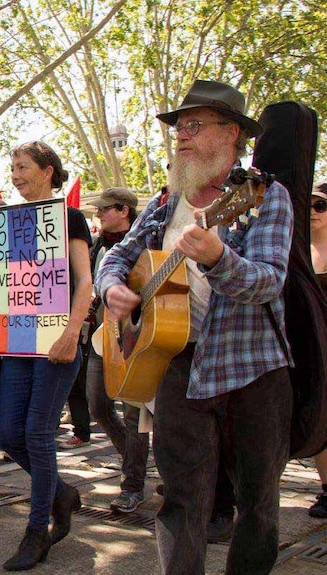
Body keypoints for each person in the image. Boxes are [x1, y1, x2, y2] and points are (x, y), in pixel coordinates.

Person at [96, 80, 293, 575]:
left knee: (258, 505)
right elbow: (119, 254)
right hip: (179, 366)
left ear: (233, 135)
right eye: (179, 127)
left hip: (254, 372)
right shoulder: (166, 203)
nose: (181, 136)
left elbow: (268, 282)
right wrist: (112, 286)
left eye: (194, 125)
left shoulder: (264, 196)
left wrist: (219, 258)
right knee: (181, 498)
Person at [0, 141, 93, 571]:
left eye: (22, 167)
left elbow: (84, 284)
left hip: (57, 346)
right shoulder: (5, 221)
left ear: (47, 170)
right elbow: (0, 283)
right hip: (17, 345)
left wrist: (72, 333)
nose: (16, 175)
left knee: (38, 435)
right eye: (13, 168)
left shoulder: (70, 217)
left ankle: (37, 531)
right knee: (6, 433)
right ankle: (60, 491)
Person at [83, 187, 150, 513]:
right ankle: (134, 460)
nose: (99, 215)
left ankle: (132, 486)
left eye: (104, 210)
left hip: (137, 340)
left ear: (124, 210)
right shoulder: (97, 247)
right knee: (97, 405)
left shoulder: (150, 245)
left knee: (136, 415)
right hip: (102, 339)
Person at [308, 182, 327, 519]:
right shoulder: (295, 251)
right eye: (307, 203)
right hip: (312, 347)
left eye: (320, 205)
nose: (311, 209)